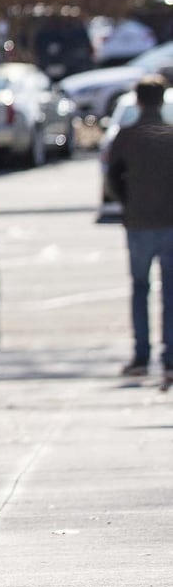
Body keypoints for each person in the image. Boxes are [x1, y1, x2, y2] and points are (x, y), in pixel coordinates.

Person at [106, 75, 173, 392]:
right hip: (170, 223)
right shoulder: (169, 135)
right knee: (170, 291)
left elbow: (113, 176)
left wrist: (127, 203)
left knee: (140, 288)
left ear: (139, 101)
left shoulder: (127, 136)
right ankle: (170, 355)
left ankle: (142, 355)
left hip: (139, 223)